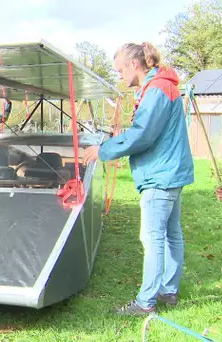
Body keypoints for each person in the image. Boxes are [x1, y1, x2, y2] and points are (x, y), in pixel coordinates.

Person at [81, 42, 194, 315]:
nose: (120, 76)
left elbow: (142, 134)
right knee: (171, 233)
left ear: (134, 64)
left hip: (160, 174)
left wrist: (103, 149)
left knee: (153, 236)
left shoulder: (156, 90)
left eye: (120, 70)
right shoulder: (163, 85)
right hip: (172, 171)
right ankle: (169, 290)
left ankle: (146, 302)